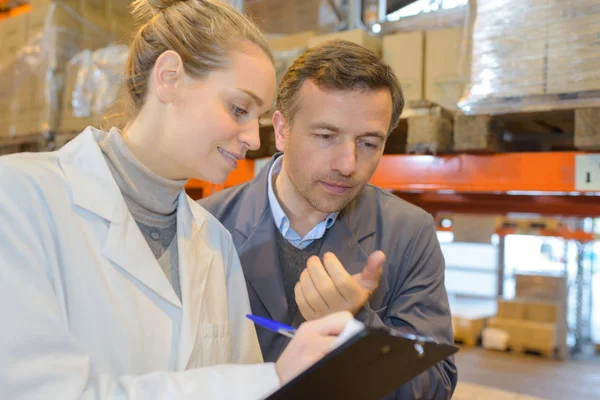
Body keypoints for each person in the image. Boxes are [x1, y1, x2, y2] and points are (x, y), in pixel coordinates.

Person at [0, 0, 354, 398]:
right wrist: (269, 377)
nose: (254, 139)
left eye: (257, 118)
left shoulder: (215, 242)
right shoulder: (18, 199)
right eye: (239, 108)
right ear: (168, 78)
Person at [199, 40, 458, 399]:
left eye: (368, 143)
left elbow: (437, 386)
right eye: (326, 136)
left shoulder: (410, 232)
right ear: (281, 130)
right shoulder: (206, 226)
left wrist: (357, 328)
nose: (348, 165)